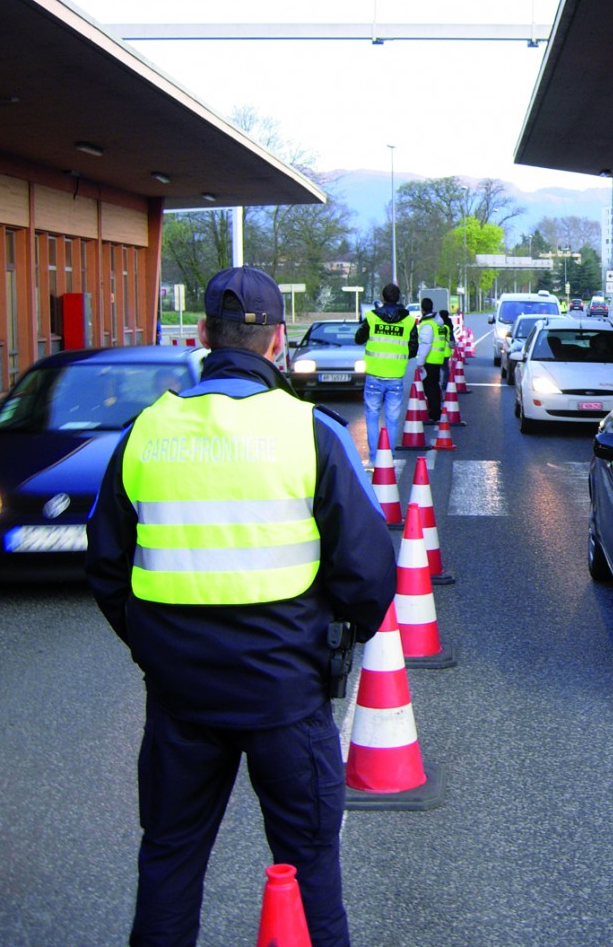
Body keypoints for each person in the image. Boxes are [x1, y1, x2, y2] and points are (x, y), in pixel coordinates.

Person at [85, 265, 396, 947]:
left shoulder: (146, 432)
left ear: (202, 334)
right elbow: (370, 570)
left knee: (169, 858)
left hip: (179, 696)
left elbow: (107, 566)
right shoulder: (313, 433)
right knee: (309, 864)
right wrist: (334, 637)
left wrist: (156, 645)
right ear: (278, 341)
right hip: (285, 693)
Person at [354, 282, 418, 465]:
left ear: (383, 298)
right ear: (398, 298)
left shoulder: (372, 317)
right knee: (392, 419)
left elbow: (358, 339)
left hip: (374, 375)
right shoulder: (408, 321)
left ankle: (374, 459)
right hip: (395, 376)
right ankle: (388, 458)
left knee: (372, 417)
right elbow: (413, 348)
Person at [416, 298, 447, 424]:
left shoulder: (427, 324)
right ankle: (436, 411)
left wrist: (420, 362)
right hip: (437, 358)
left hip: (430, 359)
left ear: (422, 308)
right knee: (434, 385)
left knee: (430, 388)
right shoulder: (437, 323)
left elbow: (426, 344)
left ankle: (434, 413)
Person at [438, 308, 456, 391]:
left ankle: (438, 384)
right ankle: (445, 384)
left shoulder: (439, 326)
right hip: (446, 351)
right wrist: (453, 346)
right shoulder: (449, 325)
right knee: (445, 369)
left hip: (438, 351)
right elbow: (452, 338)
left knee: (438, 369)